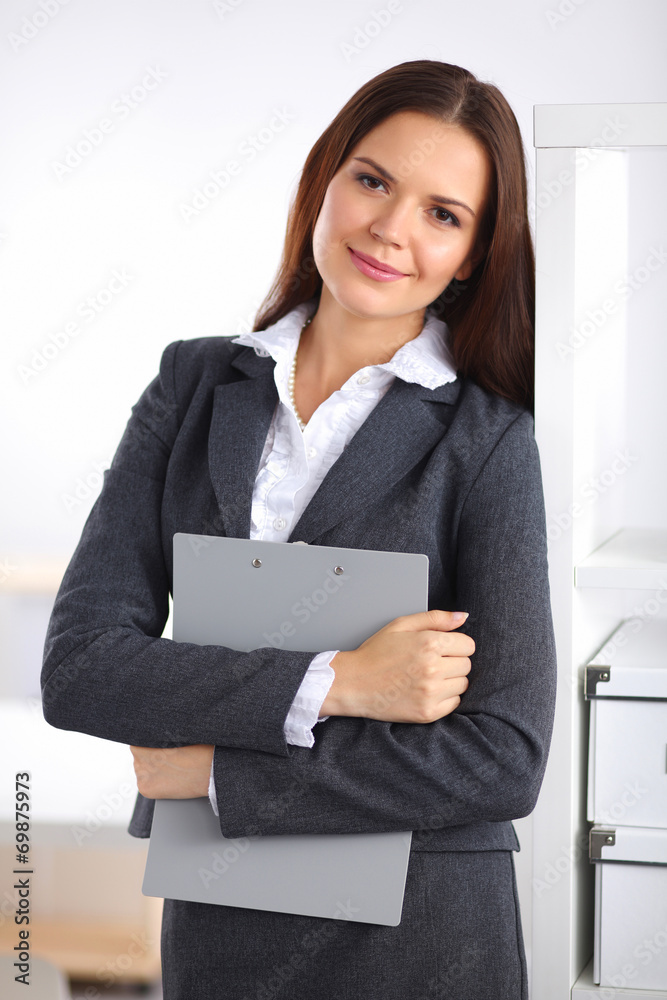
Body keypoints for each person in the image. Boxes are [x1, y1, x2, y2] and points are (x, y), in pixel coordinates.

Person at [41, 59, 557, 1000]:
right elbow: (81, 668)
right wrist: (343, 682)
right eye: (372, 180)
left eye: (443, 214)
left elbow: (501, 759)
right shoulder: (193, 386)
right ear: (325, 177)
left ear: (475, 253)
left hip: (423, 939)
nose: (390, 230)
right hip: (223, 927)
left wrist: (212, 772)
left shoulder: (486, 439)